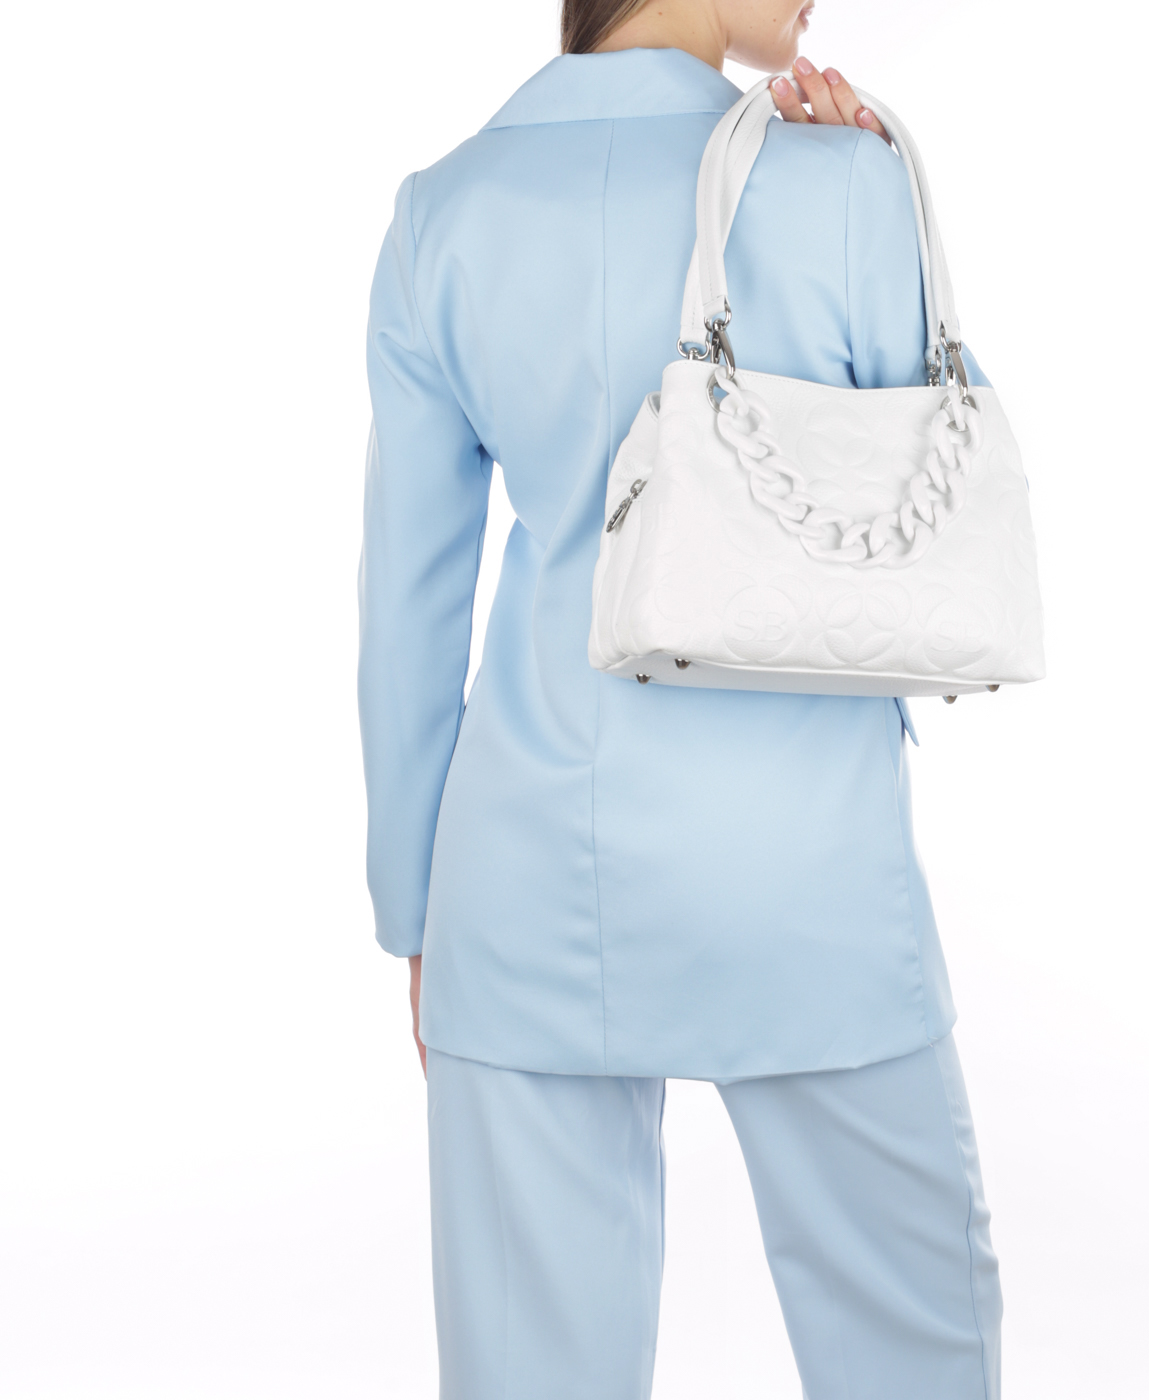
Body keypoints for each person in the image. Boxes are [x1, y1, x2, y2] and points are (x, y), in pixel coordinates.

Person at [358, 2, 1002, 1395]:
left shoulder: (441, 215)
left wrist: (416, 910)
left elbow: (408, 608)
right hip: (806, 864)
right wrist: (877, 195)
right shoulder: (836, 180)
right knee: (913, 1350)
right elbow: (945, 482)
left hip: (523, 881)